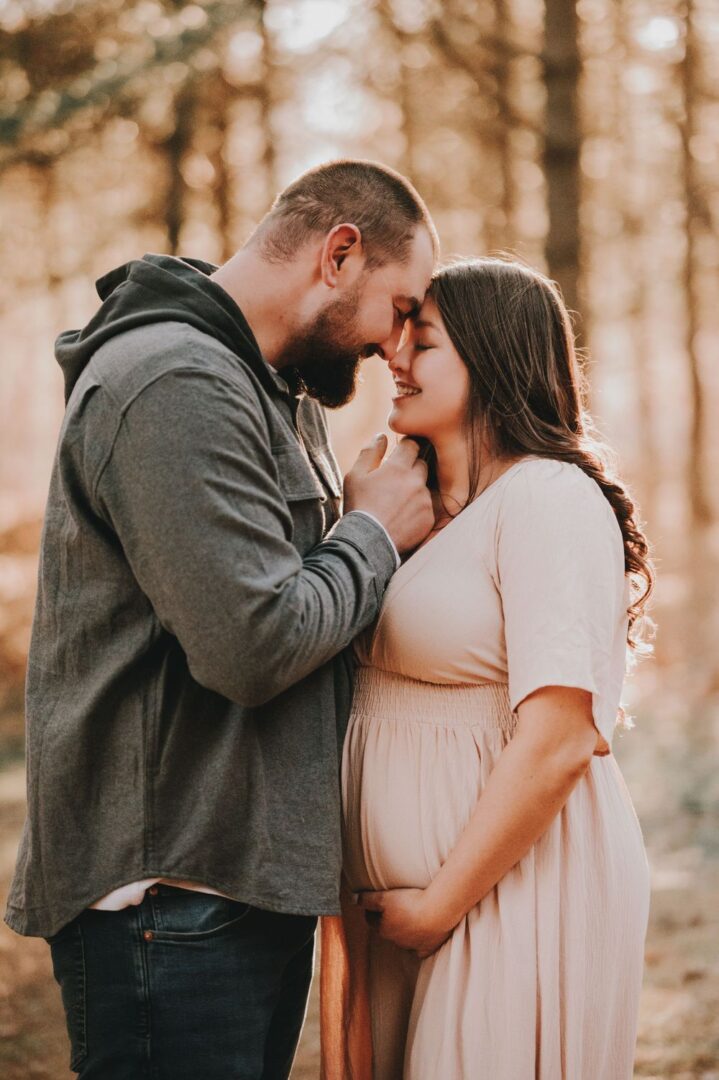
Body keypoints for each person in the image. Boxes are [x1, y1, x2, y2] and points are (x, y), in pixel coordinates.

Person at [5, 159, 439, 1079]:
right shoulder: (174, 383)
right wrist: (371, 533)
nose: (395, 347)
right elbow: (253, 644)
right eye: (398, 308)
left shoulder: (264, 386)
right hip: (170, 902)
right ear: (339, 254)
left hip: (232, 881)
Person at [321, 257, 654, 1080]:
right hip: (390, 915)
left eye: (422, 342)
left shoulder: (545, 497)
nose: (391, 359)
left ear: (492, 355)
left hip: (510, 894)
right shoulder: (415, 513)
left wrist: (438, 906)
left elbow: (560, 738)